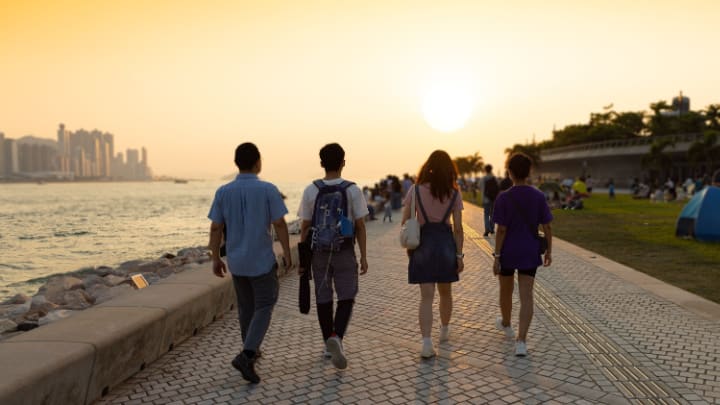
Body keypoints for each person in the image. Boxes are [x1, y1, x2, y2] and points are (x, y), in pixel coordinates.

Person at [207, 142, 292, 384]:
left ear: (236, 163)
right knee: (265, 304)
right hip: (261, 260)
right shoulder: (268, 189)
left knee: (246, 307)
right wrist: (287, 252)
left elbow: (216, 227)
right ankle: (246, 354)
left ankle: (251, 350)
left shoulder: (223, 192)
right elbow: (280, 223)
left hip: (236, 260)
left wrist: (215, 258)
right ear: (258, 162)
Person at [298, 143, 369, 370]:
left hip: (319, 252)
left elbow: (305, 227)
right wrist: (364, 256)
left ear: (321, 163)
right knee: (347, 296)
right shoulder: (353, 190)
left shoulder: (311, 190)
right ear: (343, 162)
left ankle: (328, 343)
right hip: (345, 249)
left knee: (323, 297)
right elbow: (360, 225)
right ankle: (337, 337)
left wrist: (303, 257)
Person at [401, 150, 464, 358]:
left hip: (423, 244)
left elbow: (405, 221)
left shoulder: (415, 190)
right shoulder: (454, 193)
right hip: (446, 243)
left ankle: (426, 343)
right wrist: (459, 255)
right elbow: (458, 229)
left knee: (426, 297)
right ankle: (444, 330)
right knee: (446, 293)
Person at [492, 152, 553, 357]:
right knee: (526, 295)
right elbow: (547, 226)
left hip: (508, 252)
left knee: (505, 290)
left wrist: (497, 256)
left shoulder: (503, 197)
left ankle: (507, 323)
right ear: (529, 172)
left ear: (509, 172)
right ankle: (521, 341)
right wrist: (549, 251)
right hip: (529, 251)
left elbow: (501, 230)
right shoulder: (538, 196)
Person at [481, 164, 499, 237]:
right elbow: (498, 188)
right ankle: (492, 229)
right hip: (494, 199)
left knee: (486, 214)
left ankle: (487, 229)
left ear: (485, 170)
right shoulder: (494, 178)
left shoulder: (484, 178)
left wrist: (483, 199)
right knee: (492, 214)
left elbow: (482, 189)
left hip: (486, 199)